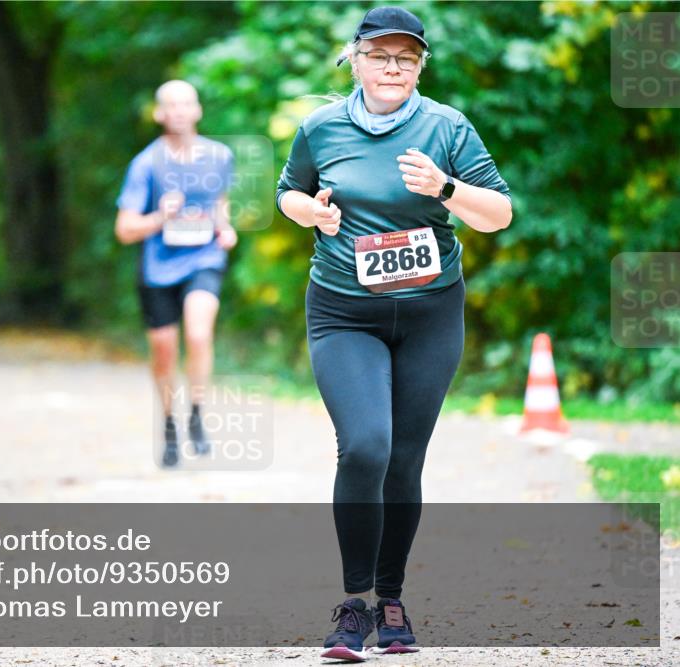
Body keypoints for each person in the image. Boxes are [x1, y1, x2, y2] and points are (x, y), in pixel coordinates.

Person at [275, 7, 512, 661]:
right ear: (354, 58)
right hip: (345, 311)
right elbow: (287, 193)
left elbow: (499, 213)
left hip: (431, 313)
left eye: (405, 59)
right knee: (367, 446)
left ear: (420, 67)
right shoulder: (321, 126)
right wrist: (312, 213)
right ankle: (353, 605)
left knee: (405, 458)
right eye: (380, 55)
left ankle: (391, 597)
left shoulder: (446, 127)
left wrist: (446, 187)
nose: (392, 68)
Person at [115, 80, 238, 468]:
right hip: (158, 269)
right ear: (159, 114)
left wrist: (225, 227)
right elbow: (124, 229)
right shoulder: (146, 164)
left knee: (199, 333)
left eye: (187, 103)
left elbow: (220, 204)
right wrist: (159, 217)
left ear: (198, 110)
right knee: (164, 353)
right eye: (172, 104)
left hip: (203, 259)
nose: (180, 111)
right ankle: (170, 424)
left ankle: (197, 414)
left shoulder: (219, 156)